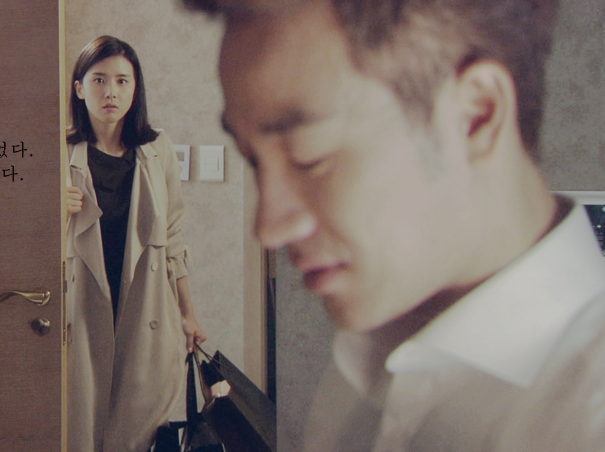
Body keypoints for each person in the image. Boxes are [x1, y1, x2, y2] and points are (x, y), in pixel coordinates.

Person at [184, 0, 605, 450]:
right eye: (253, 160)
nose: (268, 228)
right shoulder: (372, 347)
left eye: (309, 156)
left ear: (476, 114)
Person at [64, 35, 207, 452]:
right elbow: (29, 238)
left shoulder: (157, 149)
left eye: (122, 81)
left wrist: (188, 313)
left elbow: (173, 234)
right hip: (84, 302)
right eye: (99, 80)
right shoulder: (61, 151)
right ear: (80, 88)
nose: (111, 91)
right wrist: (52, 209)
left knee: (136, 427)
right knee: (81, 422)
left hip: (145, 303)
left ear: (135, 88)